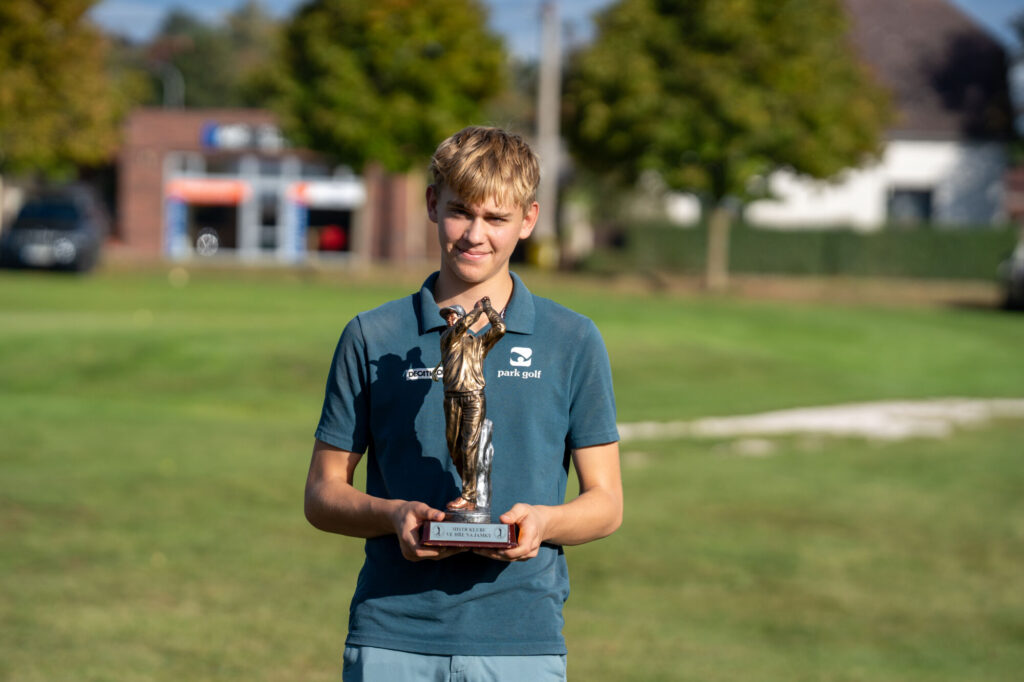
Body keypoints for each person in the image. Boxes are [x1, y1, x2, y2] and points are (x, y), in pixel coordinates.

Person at [305, 126, 622, 681]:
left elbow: (606, 503)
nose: (476, 235)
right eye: (461, 212)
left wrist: (542, 524)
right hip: (393, 636)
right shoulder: (372, 334)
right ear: (433, 204)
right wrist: (393, 515)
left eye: (497, 219)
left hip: (521, 641)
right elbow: (322, 493)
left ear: (528, 220)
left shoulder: (571, 339)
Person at [436, 297, 506, 513]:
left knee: (469, 446)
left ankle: (469, 495)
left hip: (474, 397)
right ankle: (470, 488)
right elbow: (461, 327)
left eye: (453, 315)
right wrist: (476, 312)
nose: (450, 319)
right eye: (448, 316)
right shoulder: (447, 338)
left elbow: (500, 328)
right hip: (452, 398)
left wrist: (488, 309)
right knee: (455, 448)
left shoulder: (479, 343)